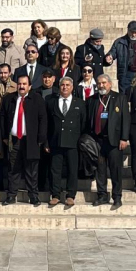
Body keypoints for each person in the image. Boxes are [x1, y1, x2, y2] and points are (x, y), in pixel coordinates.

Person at [1, 76, 47, 206]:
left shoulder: (37, 99)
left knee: (31, 170)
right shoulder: (9, 99)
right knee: (13, 169)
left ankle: (33, 196)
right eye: (20, 84)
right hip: (14, 140)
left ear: (30, 86)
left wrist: (41, 138)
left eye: (24, 84)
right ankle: (11, 196)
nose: (21, 86)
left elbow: (43, 119)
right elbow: (2, 118)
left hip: (31, 140)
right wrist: (4, 136)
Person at [87, 73, 130, 210]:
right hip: (98, 140)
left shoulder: (120, 98)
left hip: (114, 141)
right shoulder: (93, 99)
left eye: (104, 83)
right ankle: (102, 195)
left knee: (115, 170)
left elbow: (125, 119)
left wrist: (124, 138)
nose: (101, 85)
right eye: (99, 83)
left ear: (110, 84)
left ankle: (117, 197)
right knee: (100, 170)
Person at [45, 78, 85, 208]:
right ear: (59, 87)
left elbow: (83, 123)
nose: (65, 87)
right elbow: (46, 123)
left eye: (68, 85)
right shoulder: (50, 101)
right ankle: (55, 195)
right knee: (55, 170)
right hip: (55, 141)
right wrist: (46, 142)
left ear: (72, 87)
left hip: (73, 142)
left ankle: (70, 195)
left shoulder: (80, 103)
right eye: (62, 85)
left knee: (72, 170)